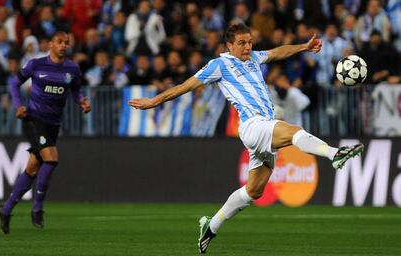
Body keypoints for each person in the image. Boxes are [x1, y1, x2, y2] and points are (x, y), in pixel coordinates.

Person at [128, 23, 364, 253]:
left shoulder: (252, 58)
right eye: (241, 43)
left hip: (263, 127)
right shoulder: (219, 65)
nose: (247, 46)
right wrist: (153, 101)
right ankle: (334, 154)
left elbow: (276, 53)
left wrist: (303, 46)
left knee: (254, 191)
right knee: (293, 131)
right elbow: (184, 86)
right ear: (229, 45)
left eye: (250, 42)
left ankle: (211, 226)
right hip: (252, 126)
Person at [0, 31, 91, 235]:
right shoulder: (36, 64)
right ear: (50, 44)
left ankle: (6, 210)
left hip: (53, 124)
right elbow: (14, 83)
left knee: (32, 169)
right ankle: (37, 208)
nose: (64, 45)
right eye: (60, 42)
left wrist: (81, 101)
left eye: (67, 42)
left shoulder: (72, 69)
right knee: (52, 158)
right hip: (33, 119)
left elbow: (76, 90)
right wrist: (19, 105)